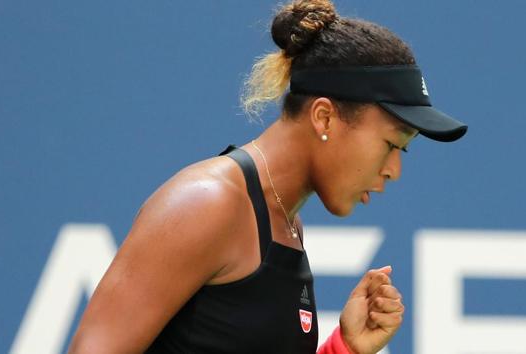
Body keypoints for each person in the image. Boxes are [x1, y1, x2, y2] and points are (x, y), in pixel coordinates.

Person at [68, 0, 467, 353]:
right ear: (324, 117)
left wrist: (343, 349)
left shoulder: (286, 224)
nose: (393, 171)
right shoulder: (207, 204)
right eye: (392, 144)